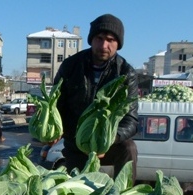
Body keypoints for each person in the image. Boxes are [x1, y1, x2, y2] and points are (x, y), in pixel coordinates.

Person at [54, 14, 139, 180]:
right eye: (99, 38)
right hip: (76, 143)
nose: (104, 45)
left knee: (129, 148)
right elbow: (56, 104)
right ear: (91, 39)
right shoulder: (71, 66)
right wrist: (55, 130)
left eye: (110, 40)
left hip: (108, 147)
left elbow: (132, 121)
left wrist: (109, 139)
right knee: (79, 191)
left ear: (118, 44)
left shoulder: (126, 73)